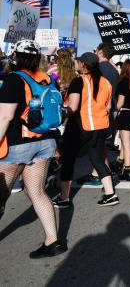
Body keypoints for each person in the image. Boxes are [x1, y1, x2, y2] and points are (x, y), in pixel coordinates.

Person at [0, 40, 67, 258]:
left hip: (18, 145)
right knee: (37, 192)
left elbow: (6, 116)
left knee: (2, 192)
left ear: (15, 57)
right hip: (45, 142)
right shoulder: (47, 79)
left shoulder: (13, 79)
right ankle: (53, 241)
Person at [54, 52, 118, 208]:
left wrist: (61, 111)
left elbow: (73, 107)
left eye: (78, 62)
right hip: (101, 126)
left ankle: (64, 197)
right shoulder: (106, 82)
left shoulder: (79, 81)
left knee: (68, 160)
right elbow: (109, 107)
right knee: (98, 159)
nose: (76, 64)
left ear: (83, 64)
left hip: (80, 127)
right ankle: (110, 194)